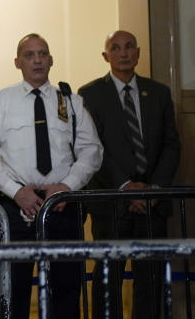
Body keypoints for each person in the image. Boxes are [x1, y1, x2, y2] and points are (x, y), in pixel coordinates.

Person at [0, 34, 102, 319]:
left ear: (51, 60)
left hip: (63, 205)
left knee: (66, 287)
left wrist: (66, 187)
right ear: (17, 62)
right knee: (13, 288)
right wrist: (17, 192)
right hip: (17, 207)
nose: (37, 60)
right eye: (29, 55)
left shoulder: (71, 102)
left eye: (43, 54)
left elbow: (92, 151)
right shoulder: (1, 102)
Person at [78, 30, 181, 319]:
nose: (123, 53)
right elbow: (92, 148)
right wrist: (125, 186)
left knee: (150, 278)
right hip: (111, 203)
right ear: (105, 56)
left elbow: (172, 145)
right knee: (108, 278)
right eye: (115, 47)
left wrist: (153, 189)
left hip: (153, 203)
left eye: (129, 47)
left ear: (138, 53)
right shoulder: (89, 94)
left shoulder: (159, 93)